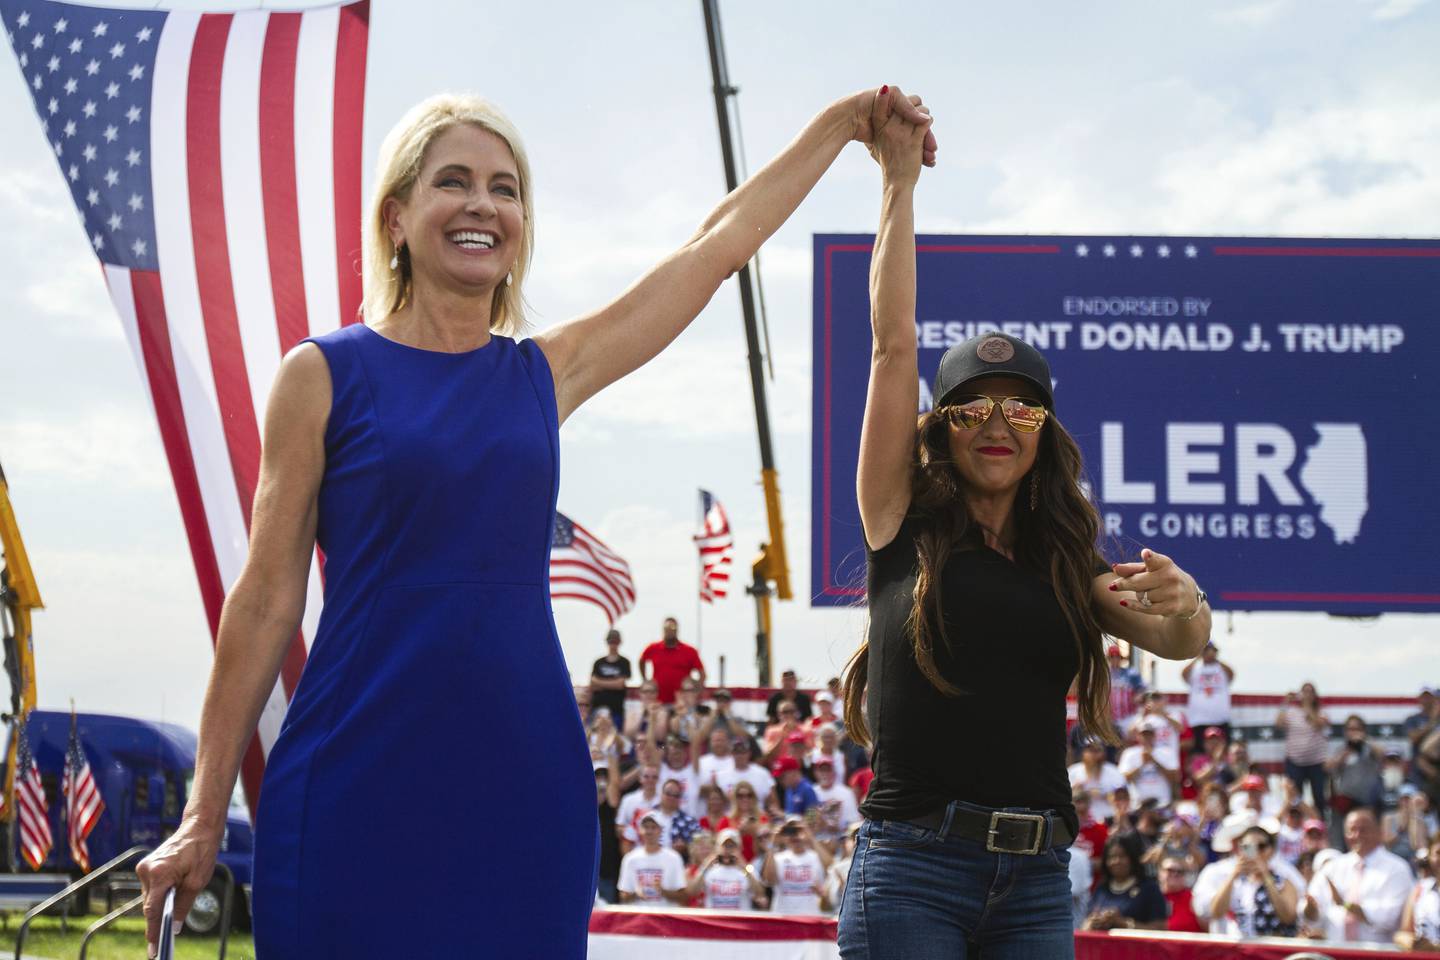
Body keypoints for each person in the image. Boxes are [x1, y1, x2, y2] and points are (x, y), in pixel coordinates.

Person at [136, 85, 924, 955]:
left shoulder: (545, 374)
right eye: (455, 181)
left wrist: (842, 127)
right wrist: (204, 812)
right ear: (396, 217)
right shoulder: (320, 375)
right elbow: (263, 600)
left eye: (505, 188)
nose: (483, 204)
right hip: (354, 779)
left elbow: (715, 248)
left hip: (522, 781)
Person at [835, 89, 1210, 959]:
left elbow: (1181, 640)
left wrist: (1190, 605)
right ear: (941, 427)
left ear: (1045, 434)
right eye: (971, 409)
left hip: (1039, 883)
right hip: (912, 872)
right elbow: (894, 344)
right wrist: (898, 182)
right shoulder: (898, 520)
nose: (998, 425)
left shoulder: (1064, 563)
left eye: (1021, 411)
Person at [1307, 808, 1415, 943]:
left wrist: (1346, 905)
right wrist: (1310, 909)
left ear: (1378, 832)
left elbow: (1388, 918)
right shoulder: (1332, 867)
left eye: (1363, 830)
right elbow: (1311, 912)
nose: (1357, 835)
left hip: (1378, 955)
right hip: (1336, 952)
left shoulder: (1397, 869)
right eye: (1351, 830)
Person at [1202, 824, 1303, 938]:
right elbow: (1216, 912)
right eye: (1248, 847)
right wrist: (1234, 875)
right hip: (1243, 950)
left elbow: (1288, 917)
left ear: (1271, 850)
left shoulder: (1283, 880)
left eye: (1261, 846)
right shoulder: (1236, 882)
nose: (1255, 852)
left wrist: (1266, 876)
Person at [1082, 834, 1169, 931]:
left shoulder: (1150, 889)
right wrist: (1094, 922)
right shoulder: (1102, 889)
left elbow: (1160, 929)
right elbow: (1085, 926)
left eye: (1122, 856)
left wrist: (1121, 923)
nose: (1116, 861)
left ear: (1132, 858)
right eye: (1111, 857)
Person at [1327, 714, 1385, 844]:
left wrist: (1365, 740)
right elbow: (1328, 767)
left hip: (1368, 802)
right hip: (1346, 802)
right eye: (1350, 729)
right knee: (1344, 836)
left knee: (1366, 836)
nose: (1353, 732)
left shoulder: (1369, 749)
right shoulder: (1342, 750)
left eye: (1357, 729)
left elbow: (1383, 755)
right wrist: (1343, 756)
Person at [1276, 682, 1330, 810]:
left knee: (1319, 798)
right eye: (1304, 692)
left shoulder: (1322, 712)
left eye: (1310, 692)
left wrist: (1308, 708)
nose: (1307, 695)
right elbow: (1279, 724)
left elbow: (1318, 724)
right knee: (1295, 799)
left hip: (1316, 763)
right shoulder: (1292, 712)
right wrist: (1285, 703)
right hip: (1295, 763)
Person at [683, 829, 767, 911]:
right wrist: (705, 867)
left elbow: (760, 893)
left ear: (740, 848)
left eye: (732, 846)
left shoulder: (748, 868)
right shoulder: (709, 868)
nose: (728, 850)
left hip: (739, 922)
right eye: (724, 846)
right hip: (714, 921)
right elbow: (693, 892)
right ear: (717, 848)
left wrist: (745, 867)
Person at [763, 817, 831, 915]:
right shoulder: (778, 858)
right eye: (790, 831)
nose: (794, 835)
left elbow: (831, 867)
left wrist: (810, 837)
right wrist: (773, 843)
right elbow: (769, 880)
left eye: (798, 830)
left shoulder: (815, 856)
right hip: (784, 917)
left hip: (811, 917)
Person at [618, 811, 687, 907]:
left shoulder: (674, 858)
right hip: (640, 917)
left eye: (653, 827)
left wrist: (662, 891)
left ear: (661, 830)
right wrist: (636, 894)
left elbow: (683, 896)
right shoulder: (630, 859)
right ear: (640, 830)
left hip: (664, 917)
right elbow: (623, 895)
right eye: (646, 827)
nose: (649, 831)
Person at [640, 617, 705, 705]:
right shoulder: (653, 648)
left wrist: (696, 690)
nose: (669, 631)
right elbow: (642, 660)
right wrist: (645, 680)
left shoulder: (689, 651)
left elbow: (702, 673)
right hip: (659, 701)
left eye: (672, 628)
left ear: (677, 630)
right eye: (667, 628)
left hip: (681, 703)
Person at [1182, 641, 1234, 747]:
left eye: (1212, 650)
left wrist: (1216, 659)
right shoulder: (1196, 668)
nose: (1208, 653)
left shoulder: (1221, 669)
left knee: (1223, 750)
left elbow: (1231, 674)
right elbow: (1184, 674)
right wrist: (1197, 657)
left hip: (1220, 719)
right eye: (1206, 650)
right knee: (1199, 752)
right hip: (1199, 720)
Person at [1119, 720, 1178, 807]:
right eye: (1144, 735)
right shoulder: (1129, 753)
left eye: (1149, 734)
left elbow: (1175, 778)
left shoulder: (1167, 752)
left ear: (1154, 735)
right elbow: (1123, 780)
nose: (1146, 738)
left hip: (1163, 802)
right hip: (1138, 804)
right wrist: (1141, 765)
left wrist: (1154, 761)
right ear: (1138, 736)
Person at [1395, 837, 1440, 950]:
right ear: (1429, 857)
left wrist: (1435, 948)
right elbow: (1403, 933)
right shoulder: (1420, 890)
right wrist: (1412, 942)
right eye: (1438, 853)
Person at [1069, 736, 1127, 823]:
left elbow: (1123, 798)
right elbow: (1064, 797)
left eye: (1097, 750)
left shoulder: (1113, 771)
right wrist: (1076, 790)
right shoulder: (1073, 771)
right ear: (1084, 753)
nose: (1094, 754)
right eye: (1090, 750)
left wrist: (1104, 794)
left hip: (1109, 819)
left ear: (1103, 752)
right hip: (1081, 823)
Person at [714, 736, 775, 802]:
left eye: (743, 752)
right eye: (736, 752)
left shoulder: (763, 773)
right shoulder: (721, 776)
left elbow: (772, 802)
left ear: (749, 753)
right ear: (731, 754)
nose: (740, 755)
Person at [590, 629, 632, 724]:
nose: (613, 645)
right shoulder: (598, 662)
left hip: (616, 710)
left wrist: (600, 682)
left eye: (615, 642)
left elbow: (620, 685)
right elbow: (593, 685)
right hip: (597, 708)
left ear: (620, 642)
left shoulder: (624, 662)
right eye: (611, 642)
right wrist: (613, 683)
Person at [1107, 644, 1147, 730]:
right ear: (1109, 659)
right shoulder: (1104, 676)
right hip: (1110, 718)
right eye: (1112, 657)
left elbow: (1143, 688)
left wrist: (1139, 695)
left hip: (1128, 717)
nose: (1115, 659)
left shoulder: (1131, 673)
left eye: (1117, 656)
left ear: (1121, 658)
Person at [1161, 856, 1204, 933]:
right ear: (1160, 872)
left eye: (1180, 872)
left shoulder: (1193, 898)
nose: (1175, 874)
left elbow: (1206, 928)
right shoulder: (1153, 897)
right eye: (1170, 870)